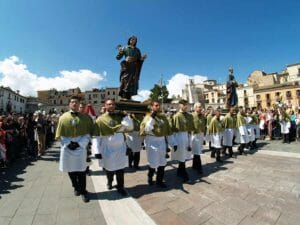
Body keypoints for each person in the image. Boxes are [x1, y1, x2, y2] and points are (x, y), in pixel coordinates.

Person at [55, 95, 94, 203]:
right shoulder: (63, 117)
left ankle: (83, 191)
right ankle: (75, 186)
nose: (74, 103)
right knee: (70, 169)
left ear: (79, 104)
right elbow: (60, 134)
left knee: (81, 170)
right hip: (67, 147)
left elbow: (88, 133)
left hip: (80, 147)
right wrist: (68, 143)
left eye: (76, 102)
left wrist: (79, 144)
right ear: (69, 104)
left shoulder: (86, 118)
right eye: (72, 102)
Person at [93, 99, 133, 196]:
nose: (111, 106)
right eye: (109, 104)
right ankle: (110, 181)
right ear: (105, 106)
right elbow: (96, 136)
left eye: (113, 104)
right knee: (109, 168)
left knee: (120, 169)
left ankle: (120, 186)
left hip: (120, 147)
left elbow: (129, 127)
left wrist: (126, 116)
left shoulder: (119, 117)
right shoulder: (100, 119)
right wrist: (97, 151)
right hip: (107, 147)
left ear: (115, 106)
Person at [140, 101, 171, 188]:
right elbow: (146, 129)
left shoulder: (162, 117)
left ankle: (159, 181)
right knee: (153, 163)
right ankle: (150, 177)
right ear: (152, 107)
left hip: (161, 141)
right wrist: (152, 118)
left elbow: (166, 130)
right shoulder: (148, 117)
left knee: (162, 162)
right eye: (156, 105)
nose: (158, 107)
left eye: (159, 105)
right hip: (152, 141)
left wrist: (168, 144)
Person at [116, 36, 147, 100]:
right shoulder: (125, 48)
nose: (133, 41)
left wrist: (142, 58)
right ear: (129, 40)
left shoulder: (137, 50)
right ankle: (123, 95)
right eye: (132, 39)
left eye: (135, 40)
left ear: (136, 42)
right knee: (125, 80)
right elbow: (118, 58)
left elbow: (139, 59)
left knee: (132, 81)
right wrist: (120, 52)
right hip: (126, 66)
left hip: (134, 67)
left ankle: (129, 96)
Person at [172, 99, 194, 182]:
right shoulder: (176, 116)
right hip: (179, 136)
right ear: (180, 105)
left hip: (187, 136)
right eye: (184, 104)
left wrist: (189, 140)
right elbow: (173, 130)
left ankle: (179, 171)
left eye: (186, 104)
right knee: (181, 156)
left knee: (184, 156)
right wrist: (174, 142)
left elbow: (190, 129)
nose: (185, 106)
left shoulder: (189, 115)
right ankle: (185, 176)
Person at [191, 103, 206, 174]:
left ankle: (194, 165)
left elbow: (204, 125)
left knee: (197, 151)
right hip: (195, 135)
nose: (200, 108)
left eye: (201, 107)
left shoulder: (203, 116)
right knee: (197, 152)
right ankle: (199, 168)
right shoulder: (191, 116)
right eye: (199, 107)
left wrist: (204, 136)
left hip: (201, 135)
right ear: (195, 108)